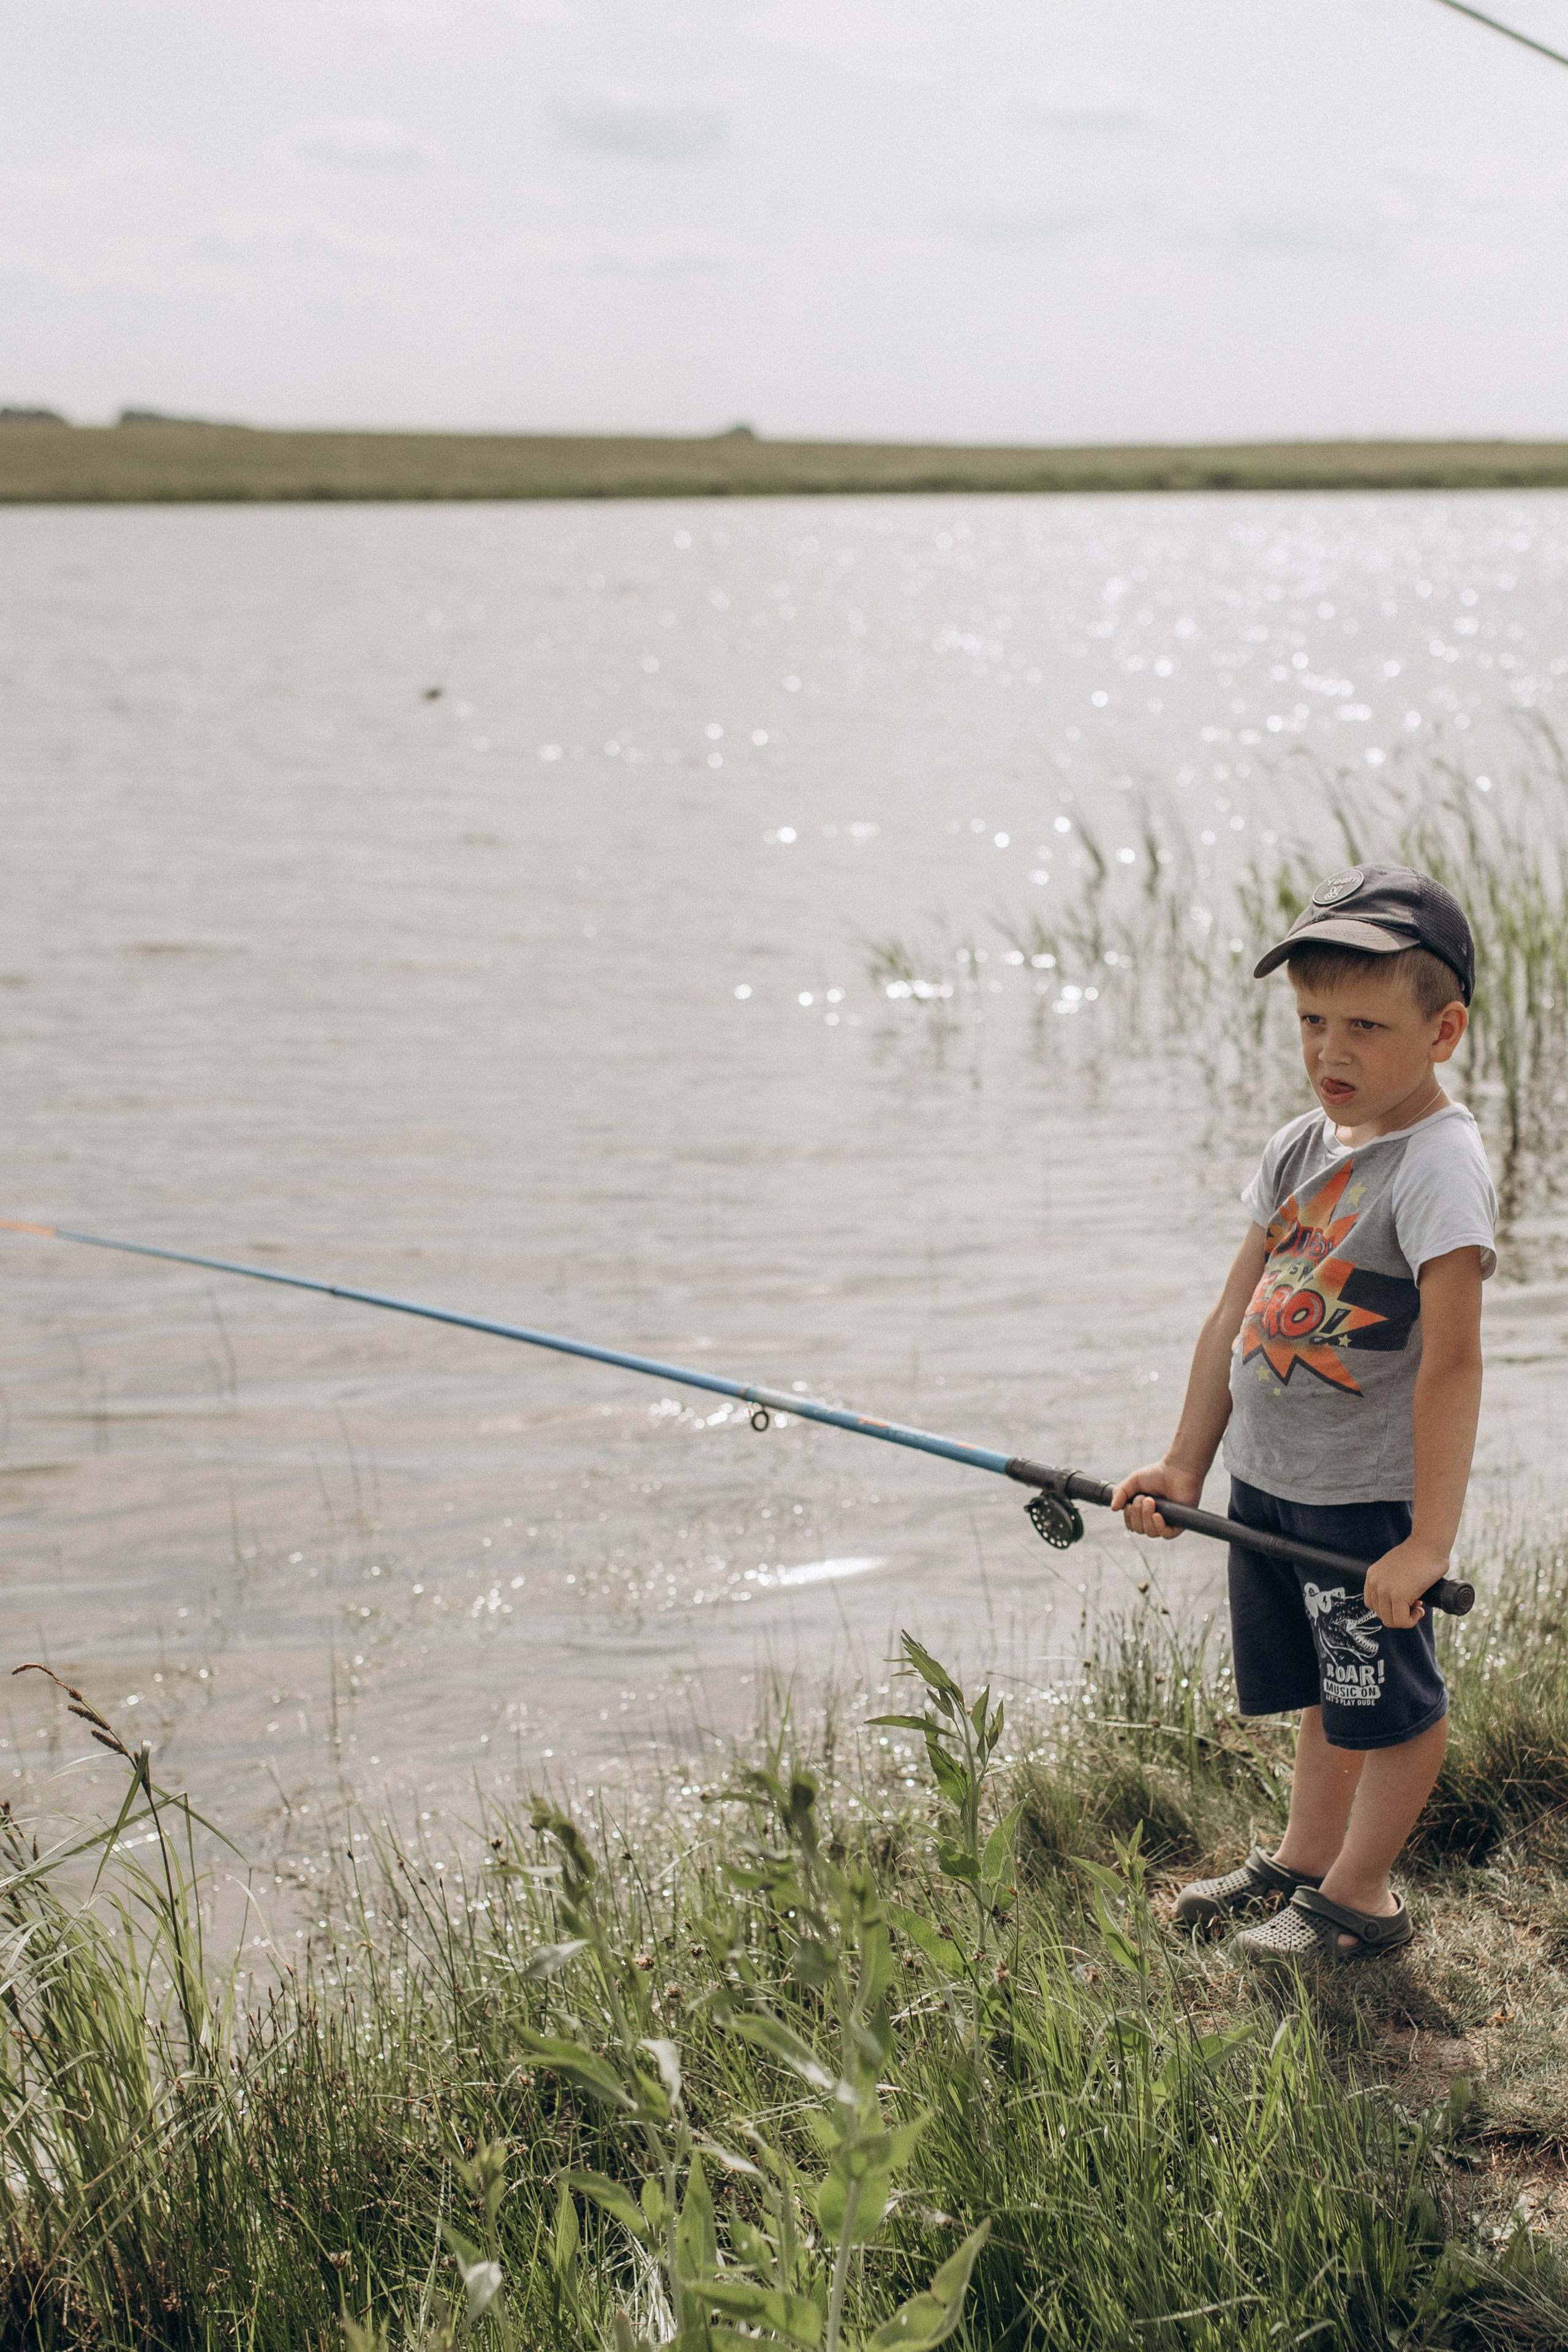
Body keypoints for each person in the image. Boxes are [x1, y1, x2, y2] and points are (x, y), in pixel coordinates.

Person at [1111, 864, 1496, 1966]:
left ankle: (1362, 1900)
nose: (1332, 1051)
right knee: (1327, 1690)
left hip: (1365, 1501)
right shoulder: (1298, 1145)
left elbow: (1454, 1366)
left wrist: (1427, 1540)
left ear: (1443, 1031)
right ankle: (1304, 1860)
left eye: (1367, 1026)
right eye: (1312, 1021)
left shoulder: (1437, 1167)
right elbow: (1237, 1309)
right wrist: (1187, 1463)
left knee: (1391, 1702)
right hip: (1272, 1483)